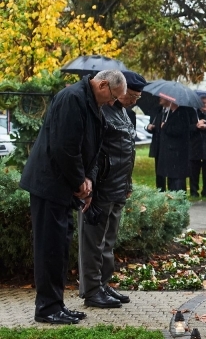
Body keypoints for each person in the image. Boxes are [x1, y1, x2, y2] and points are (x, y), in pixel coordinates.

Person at [20, 69, 126, 324]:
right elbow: (65, 147)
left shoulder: (91, 103)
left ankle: (56, 305)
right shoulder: (72, 99)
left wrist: (88, 179)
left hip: (63, 186)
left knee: (59, 248)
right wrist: (80, 181)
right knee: (49, 249)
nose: (113, 103)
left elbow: (93, 145)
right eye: (113, 97)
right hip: (49, 185)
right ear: (102, 85)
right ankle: (46, 308)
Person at [78, 71, 146, 310]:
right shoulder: (102, 110)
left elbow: (126, 151)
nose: (135, 100)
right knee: (93, 242)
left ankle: (102, 284)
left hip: (118, 187)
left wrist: (127, 186)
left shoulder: (124, 113)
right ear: (122, 92)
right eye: (134, 96)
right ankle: (92, 290)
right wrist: (90, 184)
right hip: (101, 186)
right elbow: (93, 150)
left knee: (108, 241)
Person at [156, 100, 195, 192]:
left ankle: (179, 200)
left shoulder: (181, 113)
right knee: (171, 178)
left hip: (177, 153)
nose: (160, 98)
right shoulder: (170, 113)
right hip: (171, 153)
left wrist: (165, 127)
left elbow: (180, 130)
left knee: (177, 180)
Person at [146, 98, 170, 191]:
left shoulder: (171, 112)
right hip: (158, 145)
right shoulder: (157, 110)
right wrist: (149, 127)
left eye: (163, 97)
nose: (160, 99)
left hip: (168, 146)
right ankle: (160, 190)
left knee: (169, 170)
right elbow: (152, 125)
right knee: (159, 170)